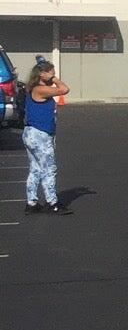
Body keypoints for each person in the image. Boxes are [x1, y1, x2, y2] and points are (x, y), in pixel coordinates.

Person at [23, 57, 71, 215]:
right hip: (39, 134)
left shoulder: (34, 88)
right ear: (42, 74)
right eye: (51, 73)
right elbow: (64, 89)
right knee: (49, 169)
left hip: (33, 133)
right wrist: (54, 79)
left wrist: (46, 71)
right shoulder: (39, 89)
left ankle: (31, 203)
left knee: (35, 169)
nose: (53, 77)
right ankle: (52, 203)